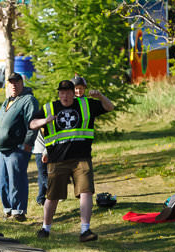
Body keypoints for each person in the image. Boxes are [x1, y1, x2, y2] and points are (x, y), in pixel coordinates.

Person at [29, 78, 115, 241]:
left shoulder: (86, 104)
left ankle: (85, 230)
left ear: (73, 93)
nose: (65, 96)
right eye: (62, 93)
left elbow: (109, 107)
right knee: (52, 196)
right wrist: (45, 121)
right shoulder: (50, 108)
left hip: (81, 158)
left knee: (86, 191)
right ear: (59, 94)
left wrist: (101, 97)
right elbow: (32, 123)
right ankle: (45, 229)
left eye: (68, 92)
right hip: (57, 159)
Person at [0, 72, 40, 221]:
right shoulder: (7, 102)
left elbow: (33, 124)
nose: (13, 85)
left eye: (16, 82)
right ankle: (8, 210)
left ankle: (18, 211)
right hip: (2, 149)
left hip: (17, 148)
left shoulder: (28, 100)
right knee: (2, 181)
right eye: (11, 82)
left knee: (16, 180)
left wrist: (27, 143)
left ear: (22, 83)